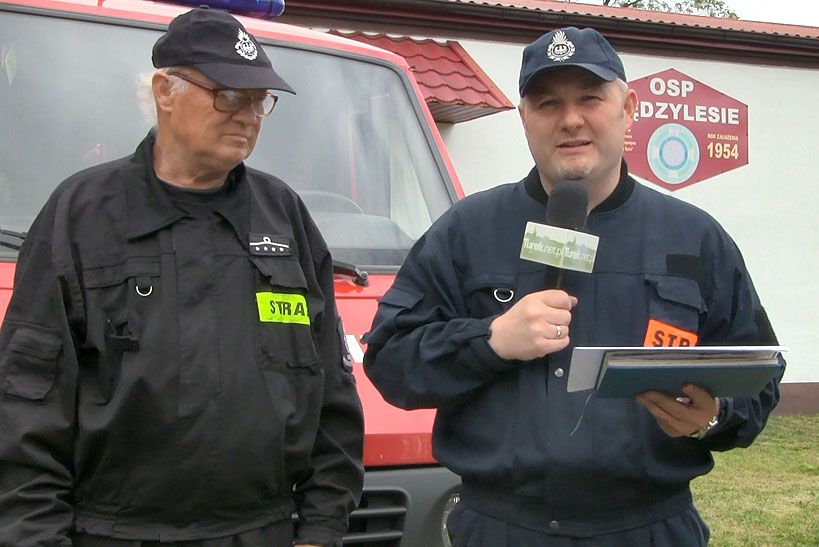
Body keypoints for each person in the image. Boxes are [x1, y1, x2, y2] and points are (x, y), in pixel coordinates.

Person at [363, 26, 782, 546]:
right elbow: (390, 360)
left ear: (629, 108)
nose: (570, 120)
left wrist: (712, 418)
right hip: (503, 530)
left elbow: (759, 377)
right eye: (548, 103)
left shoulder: (695, 238)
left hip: (649, 529)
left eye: (590, 98)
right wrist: (490, 341)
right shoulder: (466, 232)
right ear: (524, 118)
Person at [0, 7, 363, 547]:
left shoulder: (283, 216)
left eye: (259, 100)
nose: (248, 116)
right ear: (165, 92)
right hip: (114, 533)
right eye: (229, 95)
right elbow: (26, 407)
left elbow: (332, 390)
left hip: (259, 531)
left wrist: (321, 529)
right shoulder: (82, 214)